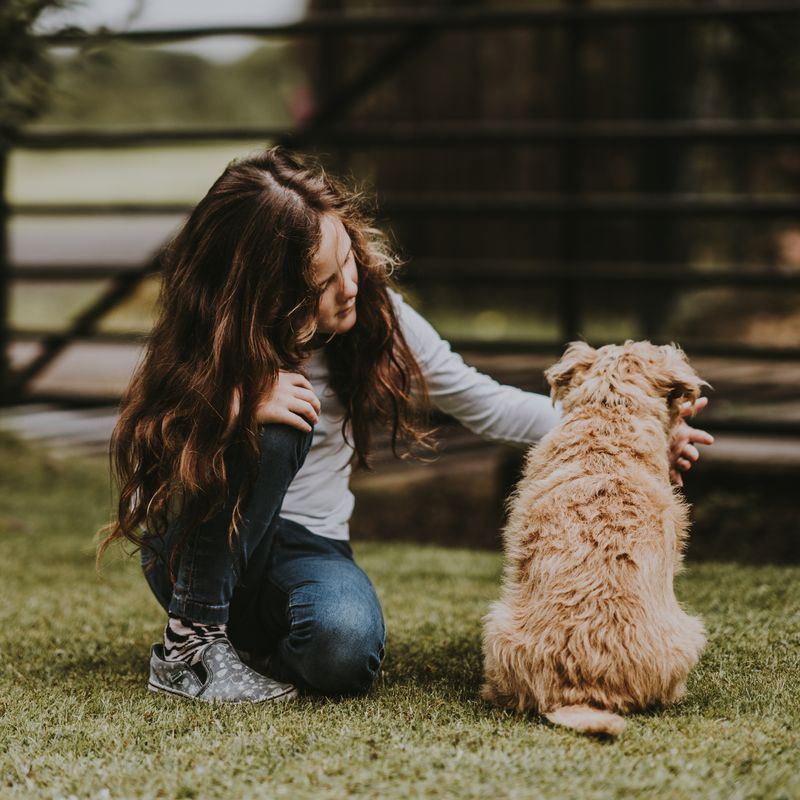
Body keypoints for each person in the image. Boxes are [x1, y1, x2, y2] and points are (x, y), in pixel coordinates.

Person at [98, 147, 713, 703]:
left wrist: (638, 428)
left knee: (344, 654)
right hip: (198, 542)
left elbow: (481, 400)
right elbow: (148, 441)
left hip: (309, 545)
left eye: (347, 260)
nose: (350, 285)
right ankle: (191, 649)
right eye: (323, 282)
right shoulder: (211, 335)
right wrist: (234, 405)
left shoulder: (375, 314)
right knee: (282, 420)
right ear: (268, 294)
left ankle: (252, 650)